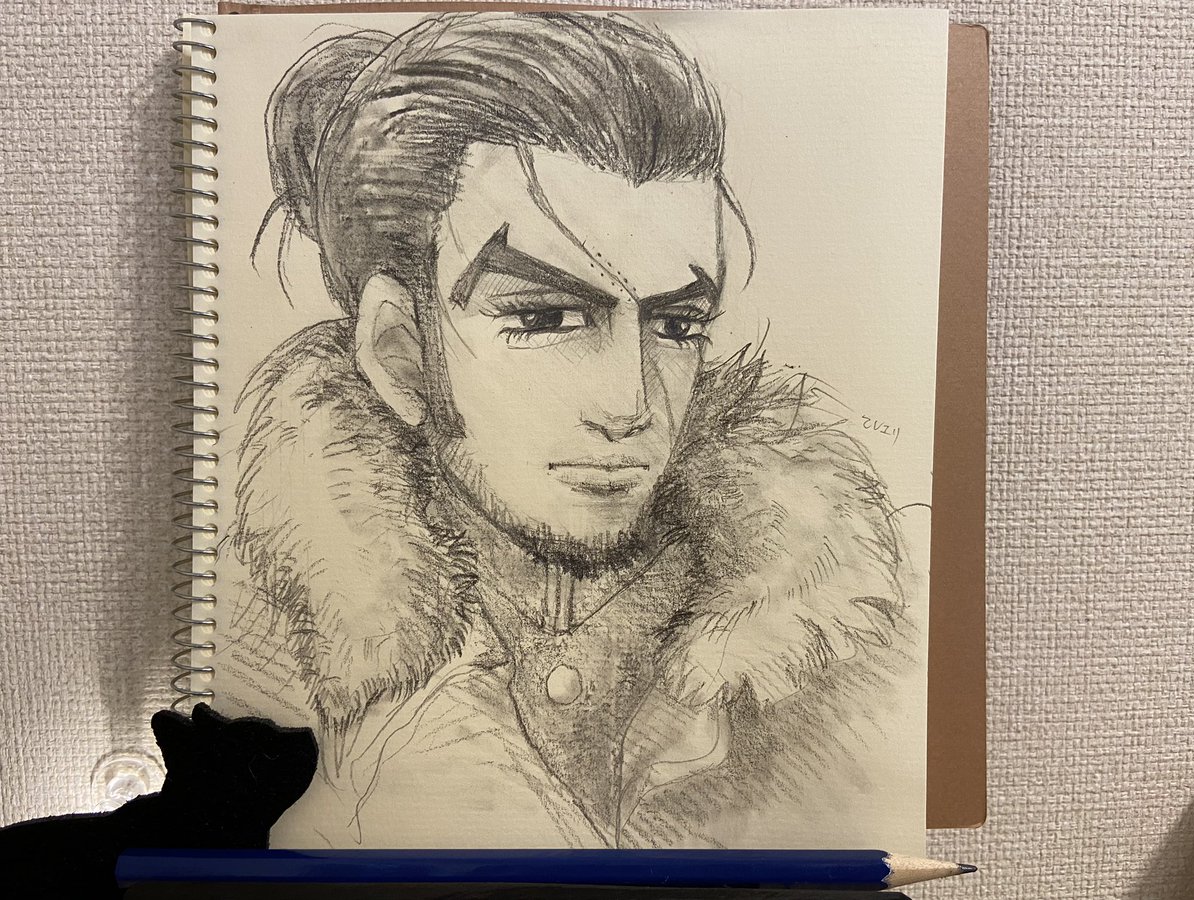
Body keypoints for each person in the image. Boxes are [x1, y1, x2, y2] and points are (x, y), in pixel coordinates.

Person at [218, 12, 922, 849]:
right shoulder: (250, 643)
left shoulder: (841, 647)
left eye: (676, 326)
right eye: (545, 317)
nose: (632, 404)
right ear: (401, 354)